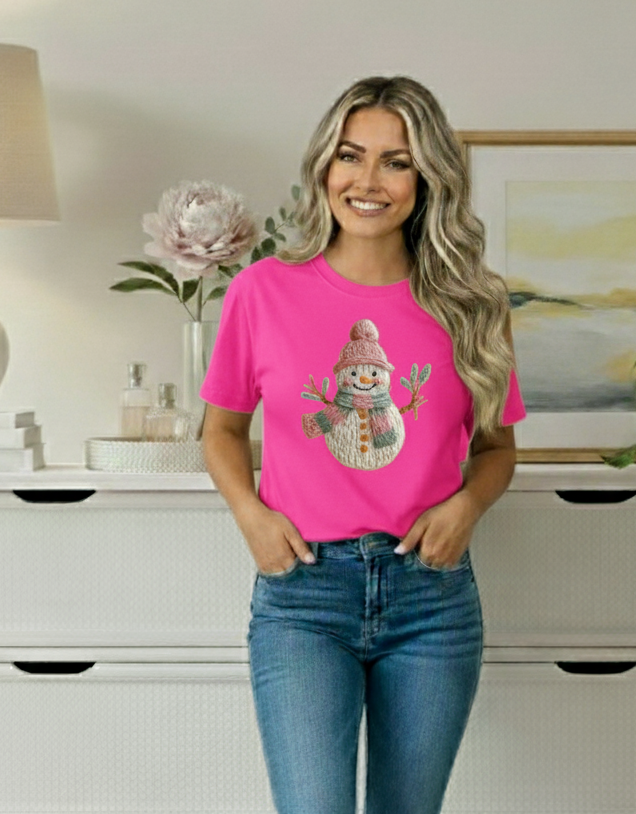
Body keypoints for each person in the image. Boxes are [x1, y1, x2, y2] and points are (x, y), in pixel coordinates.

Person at [200, 75, 526, 814]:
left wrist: (467, 507)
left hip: (431, 599)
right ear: (324, 167)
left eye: (396, 161)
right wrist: (252, 516)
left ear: (428, 179)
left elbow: (498, 449)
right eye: (351, 156)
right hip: (303, 596)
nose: (368, 180)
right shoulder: (262, 292)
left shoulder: (473, 303)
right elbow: (220, 432)